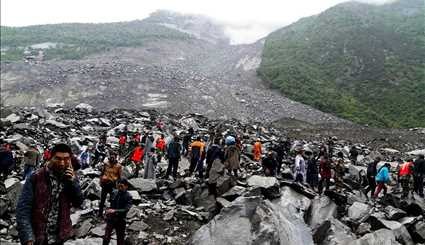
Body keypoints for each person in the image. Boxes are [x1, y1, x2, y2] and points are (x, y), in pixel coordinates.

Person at [17, 143, 83, 245]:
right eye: (58, 158)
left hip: (59, 237)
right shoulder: (36, 177)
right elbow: (23, 209)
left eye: (66, 159)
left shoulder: (70, 178)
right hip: (37, 236)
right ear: (50, 158)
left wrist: (73, 182)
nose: (62, 163)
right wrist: (28, 238)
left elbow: (78, 202)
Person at [102, 178, 132, 245]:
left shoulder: (128, 196)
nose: (120, 188)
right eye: (118, 186)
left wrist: (115, 211)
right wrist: (107, 210)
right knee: (106, 237)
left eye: (122, 186)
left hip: (121, 219)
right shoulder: (114, 193)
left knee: (120, 239)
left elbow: (126, 209)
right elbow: (110, 204)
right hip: (111, 218)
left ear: (126, 186)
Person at [99, 151, 122, 217]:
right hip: (105, 184)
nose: (112, 158)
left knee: (113, 201)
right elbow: (102, 173)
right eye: (111, 156)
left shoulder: (118, 166)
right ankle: (100, 213)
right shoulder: (106, 164)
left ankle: (111, 215)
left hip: (113, 185)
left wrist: (119, 186)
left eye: (113, 156)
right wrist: (100, 181)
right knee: (102, 200)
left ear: (115, 157)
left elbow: (119, 177)